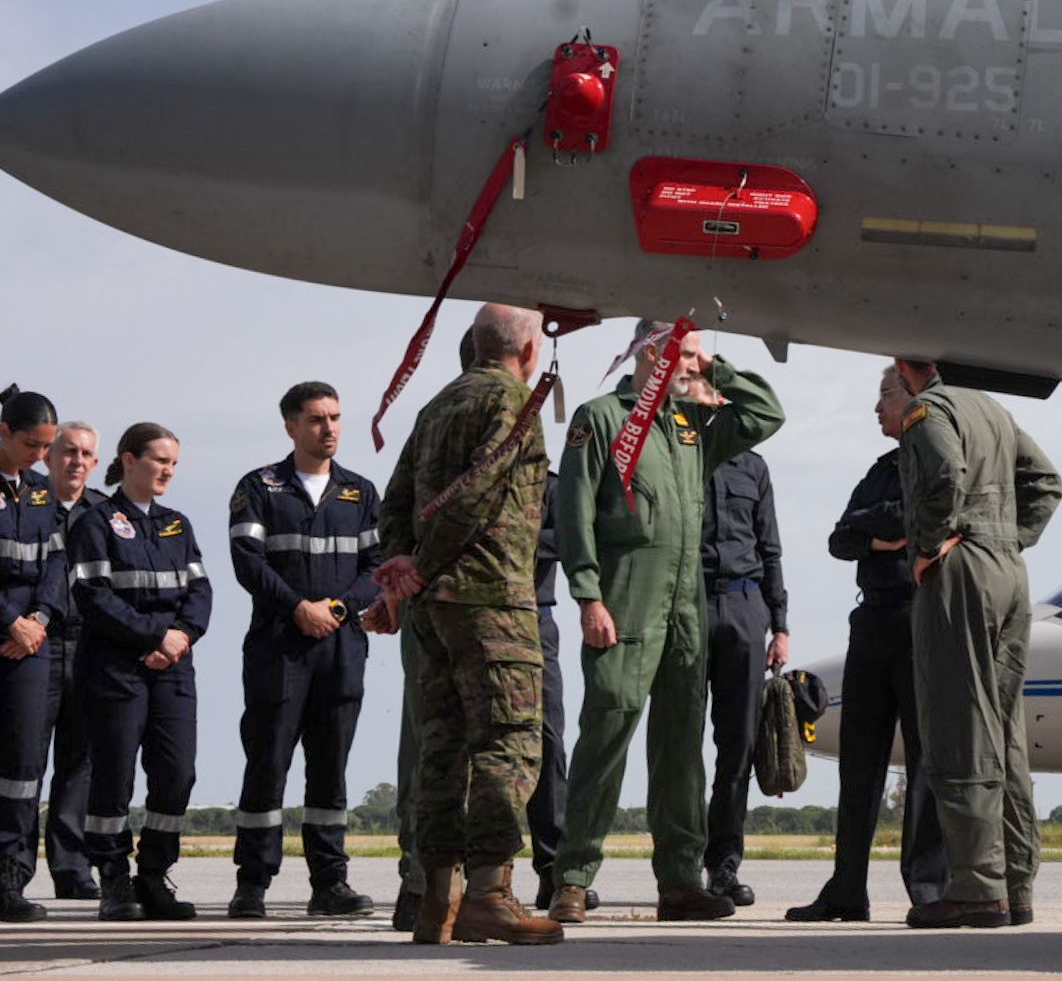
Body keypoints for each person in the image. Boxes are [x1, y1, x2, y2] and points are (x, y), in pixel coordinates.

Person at [549, 320, 783, 924]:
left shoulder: (692, 425)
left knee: (682, 746)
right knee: (608, 731)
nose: (694, 364)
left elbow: (765, 414)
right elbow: (572, 510)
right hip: (626, 597)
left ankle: (680, 879)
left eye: (698, 355)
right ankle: (572, 877)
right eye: (687, 352)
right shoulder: (601, 418)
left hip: (687, 605)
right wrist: (587, 595)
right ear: (653, 351)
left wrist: (713, 370)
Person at [374, 304, 560, 946]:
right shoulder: (514, 403)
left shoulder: (436, 407)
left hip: (434, 610)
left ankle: (436, 902)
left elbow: (394, 501)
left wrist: (404, 567)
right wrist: (419, 566)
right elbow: (478, 496)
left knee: (444, 747)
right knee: (509, 745)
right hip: (491, 602)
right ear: (530, 350)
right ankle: (488, 895)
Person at [893, 358, 1062, 929]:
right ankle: (1015, 887)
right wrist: (1010, 539)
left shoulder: (930, 409)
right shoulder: (993, 409)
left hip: (962, 570)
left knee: (960, 722)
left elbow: (942, 474)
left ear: (906, 364)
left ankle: (976, 889)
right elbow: (1045, 482)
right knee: (1004, 727)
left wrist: (928, 543)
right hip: (1008, 571)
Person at [787, 365, 947, 922]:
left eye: (885, 395)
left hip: (917, 620)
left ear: (915, 397)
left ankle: (927, 889)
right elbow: (840, 537)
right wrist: (876, 533)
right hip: (872, 623)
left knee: (926, 758)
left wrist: (873, 531)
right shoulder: (883, 468)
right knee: (859, 761)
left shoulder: (935, 458)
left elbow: (912, 521)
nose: (876, 408)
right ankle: (847, 889)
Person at [225, 382, 380, 919]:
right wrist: (298, 608)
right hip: (279, 648)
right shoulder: (259, 488)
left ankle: (330, 883)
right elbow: (248, 562)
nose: (329, 428)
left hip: (341, 648)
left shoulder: (360, 493)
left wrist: (337, 610)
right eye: (317, 419)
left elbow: (377, 568)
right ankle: (252, 883)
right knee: (267, 763)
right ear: (291, 426)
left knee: (330, 769)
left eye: (335, 417)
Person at [71, 422, 209, 922]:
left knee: (177, 771)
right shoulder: (96, 522)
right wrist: (154, 636)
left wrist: (181, 638)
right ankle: (112, 878)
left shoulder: (178, 524)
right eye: (158, 460)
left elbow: (201, 592)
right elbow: (93, 597)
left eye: (173, 463)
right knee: (114, 775)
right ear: (128, 460)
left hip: (173, 667)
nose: (167, 471)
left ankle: (153, 874)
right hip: (115, 669)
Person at [700, 446, 788, 906]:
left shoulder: (753, 467)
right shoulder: (682, 452)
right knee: (678, 744)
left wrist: (780, 626)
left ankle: (724, 865)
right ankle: (676, 862)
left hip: (745, 604)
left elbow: (769, 546)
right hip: (688, 602)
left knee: (739, 746)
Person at [0, 390, 62, 924]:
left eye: (46, 447)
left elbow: (57, 567)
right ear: (3, 431)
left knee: (23, 767)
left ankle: (10, 878)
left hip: (31, 644)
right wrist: (9, 620)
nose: (39, 456)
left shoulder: (42, 493)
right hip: (4, 629)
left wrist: (38, 621)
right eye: (30, 445)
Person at [39, 422, 104, 902]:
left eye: (85, 454)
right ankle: (11, 867)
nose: (75, 461)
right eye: (67, 451)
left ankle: (71, 866)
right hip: (31, 646)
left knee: (79, 762)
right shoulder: (24, 502)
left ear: (96, 463)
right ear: (48, 456)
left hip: (88, 647)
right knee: (19, 763)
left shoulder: (104, 514)